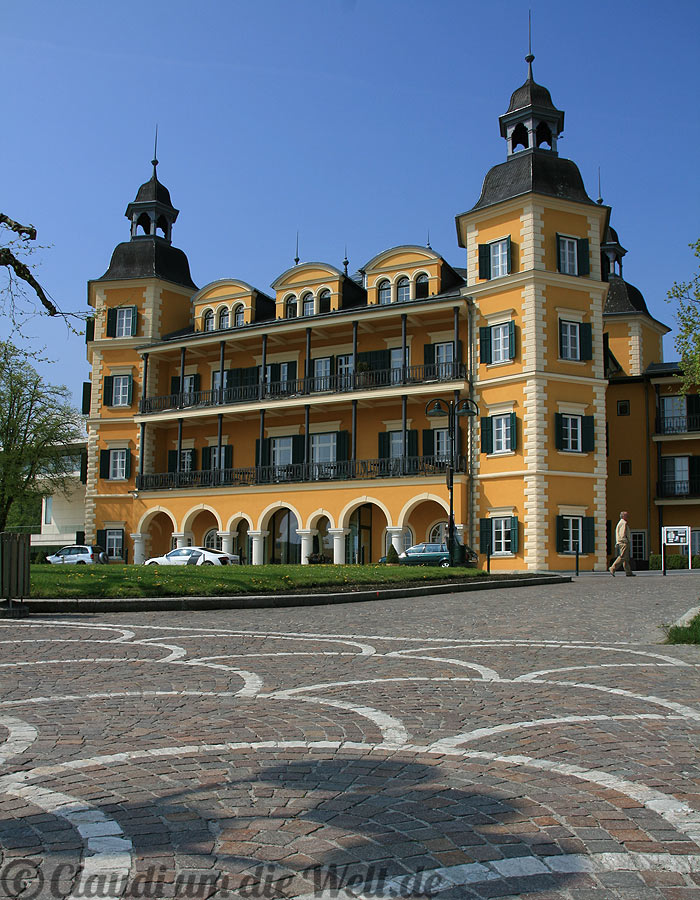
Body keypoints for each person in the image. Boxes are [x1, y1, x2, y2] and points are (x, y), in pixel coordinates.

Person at [609, 510, 635, 576]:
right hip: (623, 542)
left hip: (621, 542)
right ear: (623, 516)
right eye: (626, 515)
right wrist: (625, 540)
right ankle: (613, 568)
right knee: (623, 557)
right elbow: (622, 533)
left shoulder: (620, 523)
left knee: (626, 558)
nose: (628, 516)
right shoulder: (623, 523)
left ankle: (628, 572)